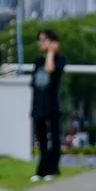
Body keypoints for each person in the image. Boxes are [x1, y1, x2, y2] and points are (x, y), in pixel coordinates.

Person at [30, 28, 66, 181]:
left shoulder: (60, 59)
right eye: (40, 40)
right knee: (41, 138)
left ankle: (53, 169)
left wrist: (51, 53)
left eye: (44, 40)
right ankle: (41, 170)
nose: (41, 43)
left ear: (52, 42)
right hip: (39, 104)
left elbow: (50, 69)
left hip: (52, 104)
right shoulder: (38, 60)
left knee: (54, 138)